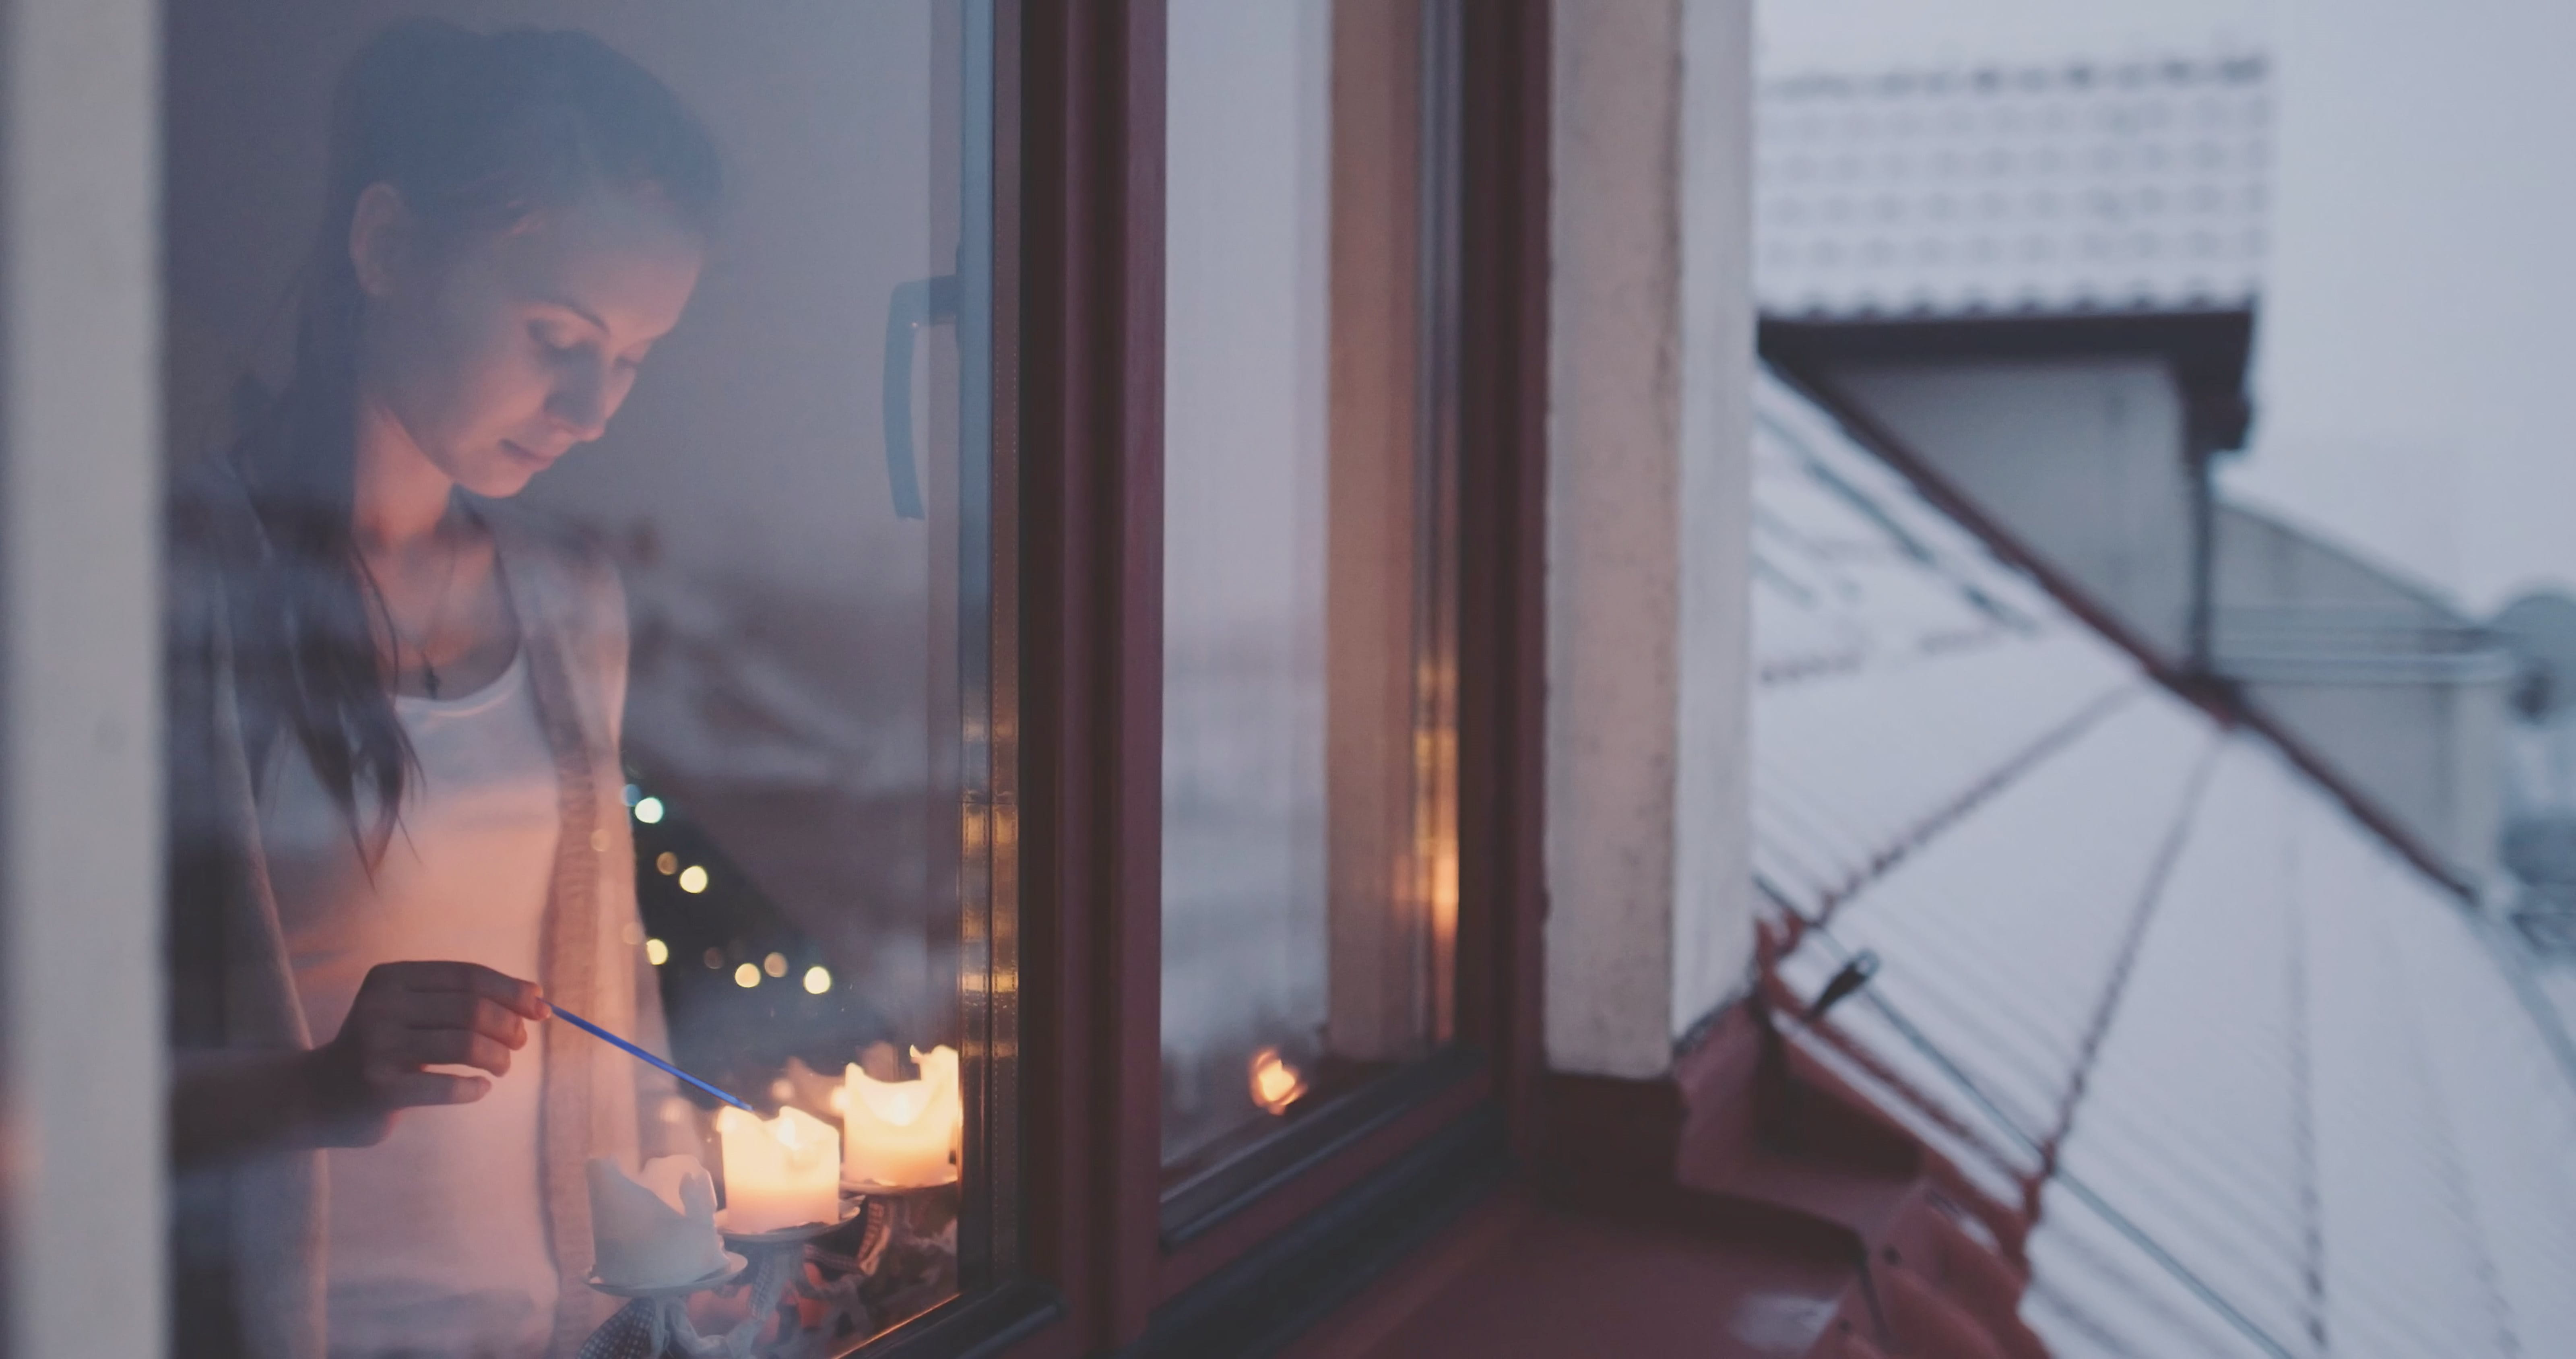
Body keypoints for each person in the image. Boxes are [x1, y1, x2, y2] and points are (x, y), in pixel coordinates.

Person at [165, 21, 720, 1358]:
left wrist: (676, 1258)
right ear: (387, 247)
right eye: (556, 333)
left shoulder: (570, 598)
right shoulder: (167, 595)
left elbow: (617, 1009)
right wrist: (316, 1086)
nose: (593, 405)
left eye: (634, 357)